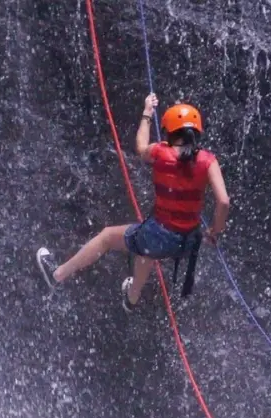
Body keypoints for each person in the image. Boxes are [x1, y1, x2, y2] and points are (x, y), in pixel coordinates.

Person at [36, 93, 231, 313]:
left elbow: (140, 146)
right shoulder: (208, 160)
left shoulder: (161, 152)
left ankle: (57, 275)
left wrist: (147, 112)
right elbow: (223, 201)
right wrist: (215, 230)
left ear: (170, 131)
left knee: (109, 237)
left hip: (159, 237)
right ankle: (132, 297)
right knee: (144, 243)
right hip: (188, 243)